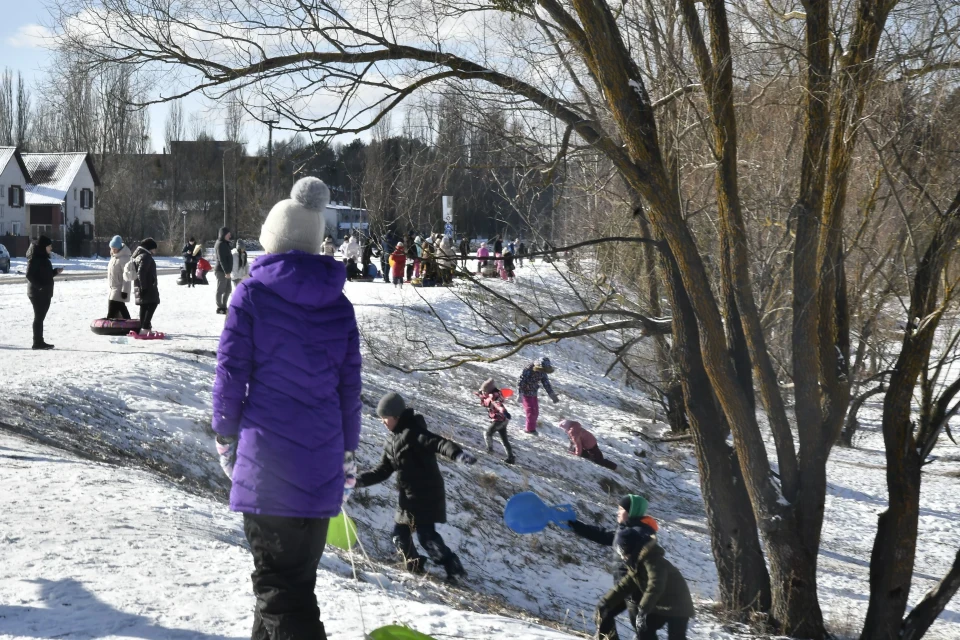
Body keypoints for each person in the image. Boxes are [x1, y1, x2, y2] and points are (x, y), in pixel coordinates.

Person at [212, 176, 362, 640]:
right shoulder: (339, 306)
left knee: (280, 592)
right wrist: (348, 455)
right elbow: (348, 390)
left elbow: (231, 374)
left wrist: (224, 436)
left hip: (268, 466)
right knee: (291, 588)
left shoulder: (251, 296)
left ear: (271, 239)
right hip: (320, 463)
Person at [356, 392, 476, 580]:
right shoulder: (391, 441)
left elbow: (439, 443)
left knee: (427, 538)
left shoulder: (416, 433)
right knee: (399, 537)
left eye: (385, 418)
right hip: (408, 498)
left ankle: (454, 568)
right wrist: (357, 480)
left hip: (427, 495)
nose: (383, 422)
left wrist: (457, 454)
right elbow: (382, 470)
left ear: (396, 416)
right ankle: (414, 565)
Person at [566, 495, 661, 639]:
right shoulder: (625, 531)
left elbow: (648, 544)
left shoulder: (640, 531)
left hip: (636, 589)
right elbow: (601, 534)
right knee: (603, 611)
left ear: (632, 512)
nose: (617, 512)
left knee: (642, 629)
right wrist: (576, 525)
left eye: (621, 509)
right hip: (623, 587)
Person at [595, 525, 694, 640]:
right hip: (659, 605)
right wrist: (604, 603)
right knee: (644, 630)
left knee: (676, 637)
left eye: (623, 552)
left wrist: (643, 609)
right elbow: (623, 587)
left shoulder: (653, 561)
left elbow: (655, 585)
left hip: (679, 606)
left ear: (631, 549)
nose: (622, 557)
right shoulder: (637, 565)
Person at [25, 235, 63, 350]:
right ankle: (37, 343)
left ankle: (39, 341)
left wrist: (55, 271)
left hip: (43, 292)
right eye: (49, 246)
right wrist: (40, 287)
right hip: (37, 293)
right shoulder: (35, 258)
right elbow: (29, 275)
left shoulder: (42, 257)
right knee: (39, 318)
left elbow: (45, 275)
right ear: (44, 246)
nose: (51, 248)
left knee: (40, 318)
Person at [475, 379, 515, 464]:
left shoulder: (493, 397)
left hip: (499, 420)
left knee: (488, 433)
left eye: (484, 391)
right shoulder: (493, 395)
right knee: (504, 439)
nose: (483, 393)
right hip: (503, 420)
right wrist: (480, 394)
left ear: (488, 391)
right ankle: (511, 457)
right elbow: (485, 402)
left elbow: (498, 405)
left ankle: (490, 450)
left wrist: (504, 411)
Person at [517, 357, 559, 435]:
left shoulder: (543, 372)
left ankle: (532, 429)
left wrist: (552, 395)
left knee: (535, 411)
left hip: (534, 392)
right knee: (530, 411)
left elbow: (546, 383)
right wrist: (520, 393)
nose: (543, 372)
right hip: (526, 393)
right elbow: (521, 381)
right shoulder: (528, 369)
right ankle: (528, 429)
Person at [127, 238, 160, 333]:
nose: (155, 250)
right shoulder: (145, 257)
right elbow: (141, 273)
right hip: (147, 286)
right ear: (149, 248)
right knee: (153, 303)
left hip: (141, 285)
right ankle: (145, 326)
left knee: (144, 306)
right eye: (154, 248)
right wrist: (144, 287)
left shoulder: (139, 256)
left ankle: (143, 327)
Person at [107, 235, 132, 320]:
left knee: (112, 307)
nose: (113, 250)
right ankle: (128, 323)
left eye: (115, 249)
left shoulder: (124, 258)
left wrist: (125, 291)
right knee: (120, 307)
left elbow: (127, 277)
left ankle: (109, 324)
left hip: (119, 288)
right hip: (113, 288)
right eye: (112, 248)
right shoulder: (113, 258)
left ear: (119, 248)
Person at [214, 227, 233, 314]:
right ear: (223, 235)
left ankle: (224, 306)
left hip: (227, 271)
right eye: (228, 234)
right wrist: (227, 272)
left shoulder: (225, 244)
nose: (230, 235)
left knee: (228, 289)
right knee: (221, 289)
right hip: (221, 271)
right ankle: (220, 307)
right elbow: (222, 259)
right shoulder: (220, 244)